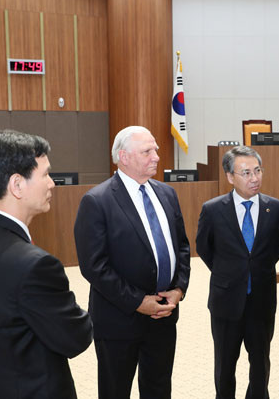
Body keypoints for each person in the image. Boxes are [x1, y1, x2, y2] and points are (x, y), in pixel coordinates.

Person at [0, 130, 92, 399]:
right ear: (17, 185)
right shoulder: (36, 266)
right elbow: (76, 338)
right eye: (45, 174)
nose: (52, 184)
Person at [74, 125, 190, 399]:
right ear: (123, 157)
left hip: (163, 314)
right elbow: (94, 266)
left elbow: (182, 247)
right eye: (147, 151)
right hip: (119, 319)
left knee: (159, 389)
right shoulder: (97, 201)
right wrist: (138, 301)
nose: (156, 157)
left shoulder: (167, 193)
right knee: (115, 391)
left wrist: (178, 289)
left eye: (155, 150)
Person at [196, 146, 279, 399]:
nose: (254, 178)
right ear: (230, 176)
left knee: (260, 364)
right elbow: (204, 248)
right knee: (225, 365)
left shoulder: (277, 209)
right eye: (246, 173)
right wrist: (229, 272)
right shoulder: (213, 210)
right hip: (226, 300)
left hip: (262, 300)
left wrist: (254, 268)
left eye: (257, 171)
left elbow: (278, 248)